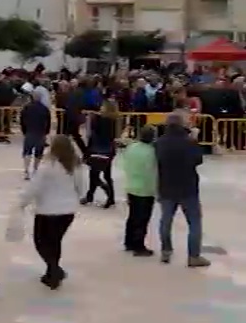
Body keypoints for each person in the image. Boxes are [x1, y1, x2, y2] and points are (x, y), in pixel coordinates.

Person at [17, 134, 85, 289]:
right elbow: (81, 187)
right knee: (55, 242)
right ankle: (52, 271)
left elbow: (35, 187)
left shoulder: (47, 166)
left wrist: (22, 202)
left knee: (41, 242)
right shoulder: (75, 165)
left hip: (47, 210)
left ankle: (54, 269)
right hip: (67, 211)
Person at [154, 111, 211, 268]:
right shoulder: (189, 142)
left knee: (166, 220)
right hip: (188, 187)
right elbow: (198, 160)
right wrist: (195, 139)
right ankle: (193, 256)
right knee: (194, 222)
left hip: (166, 186)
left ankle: (166, 250)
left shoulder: (159, 143)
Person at [121, 125, 157, 256]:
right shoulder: (152, 152)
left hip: (131, 185)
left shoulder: (131, 147)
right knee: (142, 219)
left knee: (132, 216)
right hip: (145, 188)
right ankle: (139, 245)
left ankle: (128, 241)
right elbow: (152, 170)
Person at [83, 99, 120, 208]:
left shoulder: (99, 120)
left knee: (94, 174)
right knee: (107, 174)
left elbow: (92, 135)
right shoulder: (114, 120)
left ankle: (97, 193)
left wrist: (87, 152)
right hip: (109, 150)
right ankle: (110, 197)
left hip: (97, 149)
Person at [19, 89, 52, 180]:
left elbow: (22, 120)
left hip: (29, 131)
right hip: (40, 132)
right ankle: (35, 169)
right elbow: (48, 122)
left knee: (27, 152)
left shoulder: (26, 107)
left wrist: (24, 130)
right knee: (38, 152)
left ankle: (26, 170)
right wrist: (46, 132)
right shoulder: (44, 109)